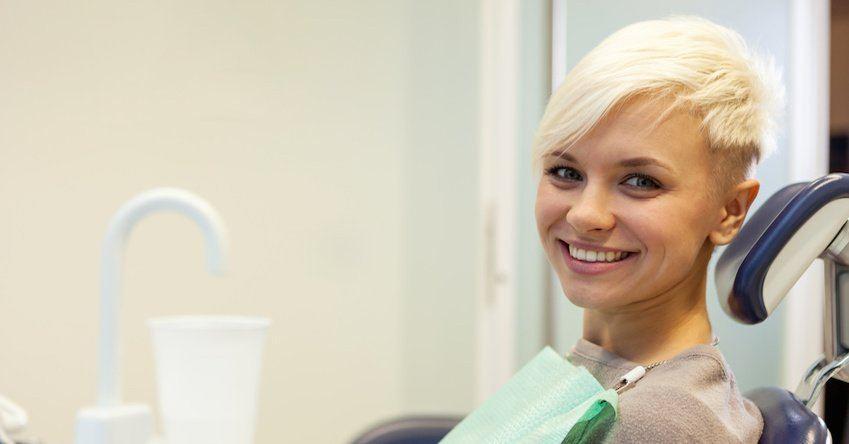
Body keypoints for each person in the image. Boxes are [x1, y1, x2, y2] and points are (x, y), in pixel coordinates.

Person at [532, 16, 784, 443]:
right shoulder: (598, 366)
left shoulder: (661, 423)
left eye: (641, 181)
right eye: (564, 171)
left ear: (729, 211)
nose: (584, 215)